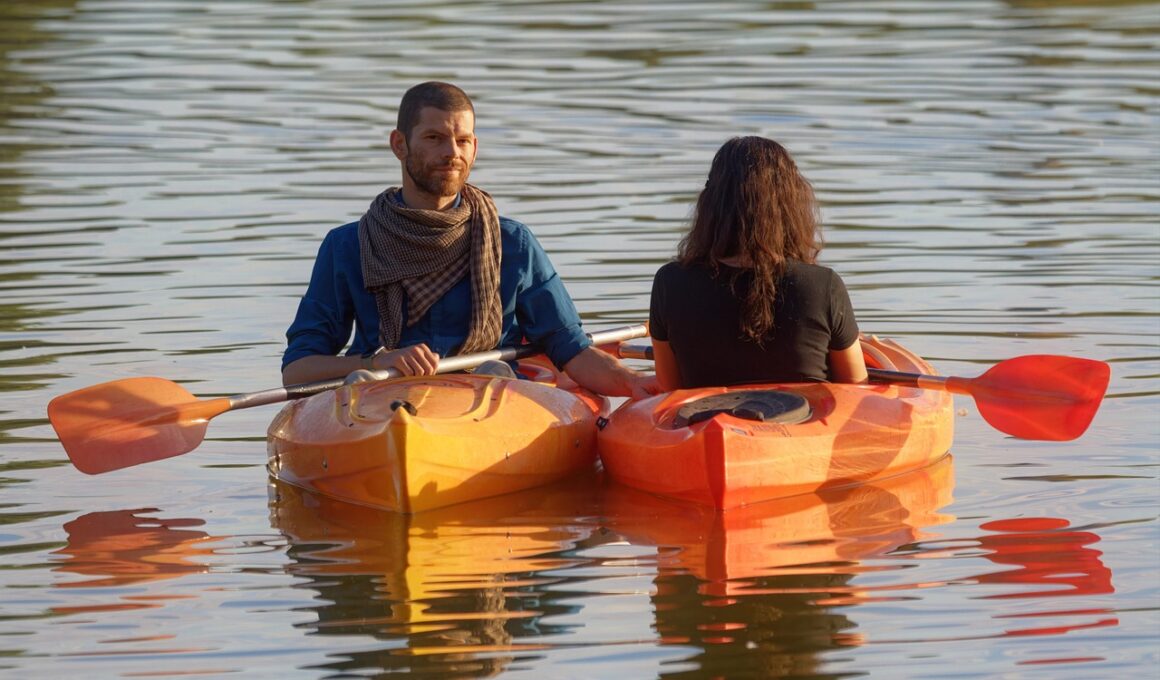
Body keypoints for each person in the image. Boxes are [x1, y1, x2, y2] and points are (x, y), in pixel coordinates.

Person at [282, 81, 655, 399]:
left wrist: (636, 385)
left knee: (498, 371)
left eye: (462, 140)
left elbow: (570, 347)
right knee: (363, 383)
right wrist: (376, 361)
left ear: (474, 147)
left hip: (491, 399)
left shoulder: (513, 242)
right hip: (381, 399)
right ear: (399, 144)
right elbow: (297, 370)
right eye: (434, 138)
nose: (451, 153)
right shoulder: (348, 245)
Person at [649, 136, 868, 391]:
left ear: (710, 203)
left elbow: (669, 389)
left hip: (704, 416)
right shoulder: (822, 285)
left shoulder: (670, 283)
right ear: (791, 204)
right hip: (806, 417)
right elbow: (856, 389)